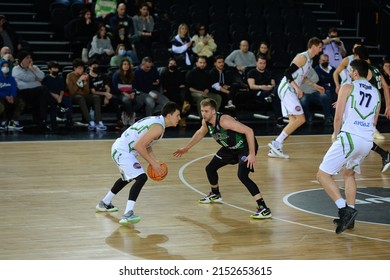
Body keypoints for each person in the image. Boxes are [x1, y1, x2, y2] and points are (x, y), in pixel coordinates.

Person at [173, 98, 272, 219]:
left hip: (244, 148)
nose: (203, 114)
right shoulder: (206, 122)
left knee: (242, 176)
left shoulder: (224, 121)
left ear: (213, 111)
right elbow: (200, 133)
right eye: (202, 110)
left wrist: (251, 154)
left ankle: (264, 208)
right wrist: (186, 148)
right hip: (229, 149)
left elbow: (249, 131)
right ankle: (215, 194)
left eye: (206, 111)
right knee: (210, 168)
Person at [316, 59, 381, 234]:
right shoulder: (376, 92)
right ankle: (350, 219)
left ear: (354, 72)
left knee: (322, 174)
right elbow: (374, 120)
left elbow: (338, 117)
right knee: (349, 174)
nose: (349, 74)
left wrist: (336, 136)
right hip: (367, 141)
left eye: (350, 71)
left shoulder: (347, 87)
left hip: (350, 138)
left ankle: (344, 209)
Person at [96, 101, 181, 225]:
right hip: (122, 151)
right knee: (141, 177)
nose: (179, 118)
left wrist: (154, 160)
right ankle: (128, 214)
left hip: (121, 149)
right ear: (169, 115)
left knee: (127, 178)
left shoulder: (157, 122)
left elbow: (146, 145)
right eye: (177, 115)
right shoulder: (158, 127)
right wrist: (152, 163)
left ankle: (104, 203)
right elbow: (139, 145)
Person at [268, 37, 324, 159]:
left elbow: (302, 77)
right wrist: (297, 88)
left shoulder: (310, 61)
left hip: (290, 89)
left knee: (294, 121)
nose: (321, 50)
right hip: (287, 88)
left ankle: (275, 148)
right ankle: (276, 143)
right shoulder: (302, 57)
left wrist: (315, 86)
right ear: (313, 46)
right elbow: (287, 73)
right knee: (301, 119)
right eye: (320, 47)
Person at [12, 50, 50, 131]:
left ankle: (41, 121)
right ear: (21, 59)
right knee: (43, 89)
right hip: (23, 93)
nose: (30, 60)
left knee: (42, 97)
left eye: (30, 57)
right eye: (27, 58)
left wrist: (32, 69)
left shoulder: (34, 67)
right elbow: (22, 83)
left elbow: (42, 76)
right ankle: (43, 120)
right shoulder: (16, 69)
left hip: (35, 93)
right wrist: (35, 79)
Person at [66, 58, 106, 131]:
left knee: (96, 97)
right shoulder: (70, 76)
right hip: (73, 97)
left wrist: (84, 83)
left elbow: (86, 91)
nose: (81, 70)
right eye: (79, 68)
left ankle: (99, 121)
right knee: (80, 97)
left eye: (82, 68)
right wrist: (79, 80)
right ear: (75, 68)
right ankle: (90, 122)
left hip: (83, 95)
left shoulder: (85, 75)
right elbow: (72, 92)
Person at [247, 54, 284, 127]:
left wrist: (270, 87)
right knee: (275, 97)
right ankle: (279, 119)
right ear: (256, 63)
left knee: (277, 87)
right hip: (258, 92)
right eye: (260, 63)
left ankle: (271, 96)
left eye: (264, 63)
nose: (262, 65)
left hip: (269, 91)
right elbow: (252, 86)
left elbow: (273, 84)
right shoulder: (251, 72)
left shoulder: (269, 72)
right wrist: (262, 87)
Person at [160, 58, 191, 127]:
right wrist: (176, 85)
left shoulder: (179, 73)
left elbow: (183, 84)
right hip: (169, 93)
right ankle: (184, 105)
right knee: (179, 98)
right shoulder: (164, 74)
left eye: (174, 64)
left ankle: (185, 105)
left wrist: (177, 86)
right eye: (171, 64)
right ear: (168, 65)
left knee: (185, 91)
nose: (173, 65)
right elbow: (166, 87)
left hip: (178, 92)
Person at [42, 61, 73, 130]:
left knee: (68, 101)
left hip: (60, 96)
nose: (56, 70)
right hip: (50, 96)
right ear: (49, 69)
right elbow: (45, 90)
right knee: (53, 103)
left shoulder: (60, 78)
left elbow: (62, 89)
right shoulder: (46, 79)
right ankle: (53, 123)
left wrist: (60, 97)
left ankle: (69, 120)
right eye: (54, 68)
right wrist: (55, 96)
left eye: (57, 68)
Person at [0, 60, 24, 130]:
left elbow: (14, 88)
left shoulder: (11, 78)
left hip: (10, 97)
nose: (5, 68)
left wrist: (12, 96)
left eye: (7, 66)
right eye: (3, 66)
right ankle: (3, 122)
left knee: (21, 103)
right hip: (1, 97)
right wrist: (5, 96)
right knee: (1, 102)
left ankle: (13, 122)